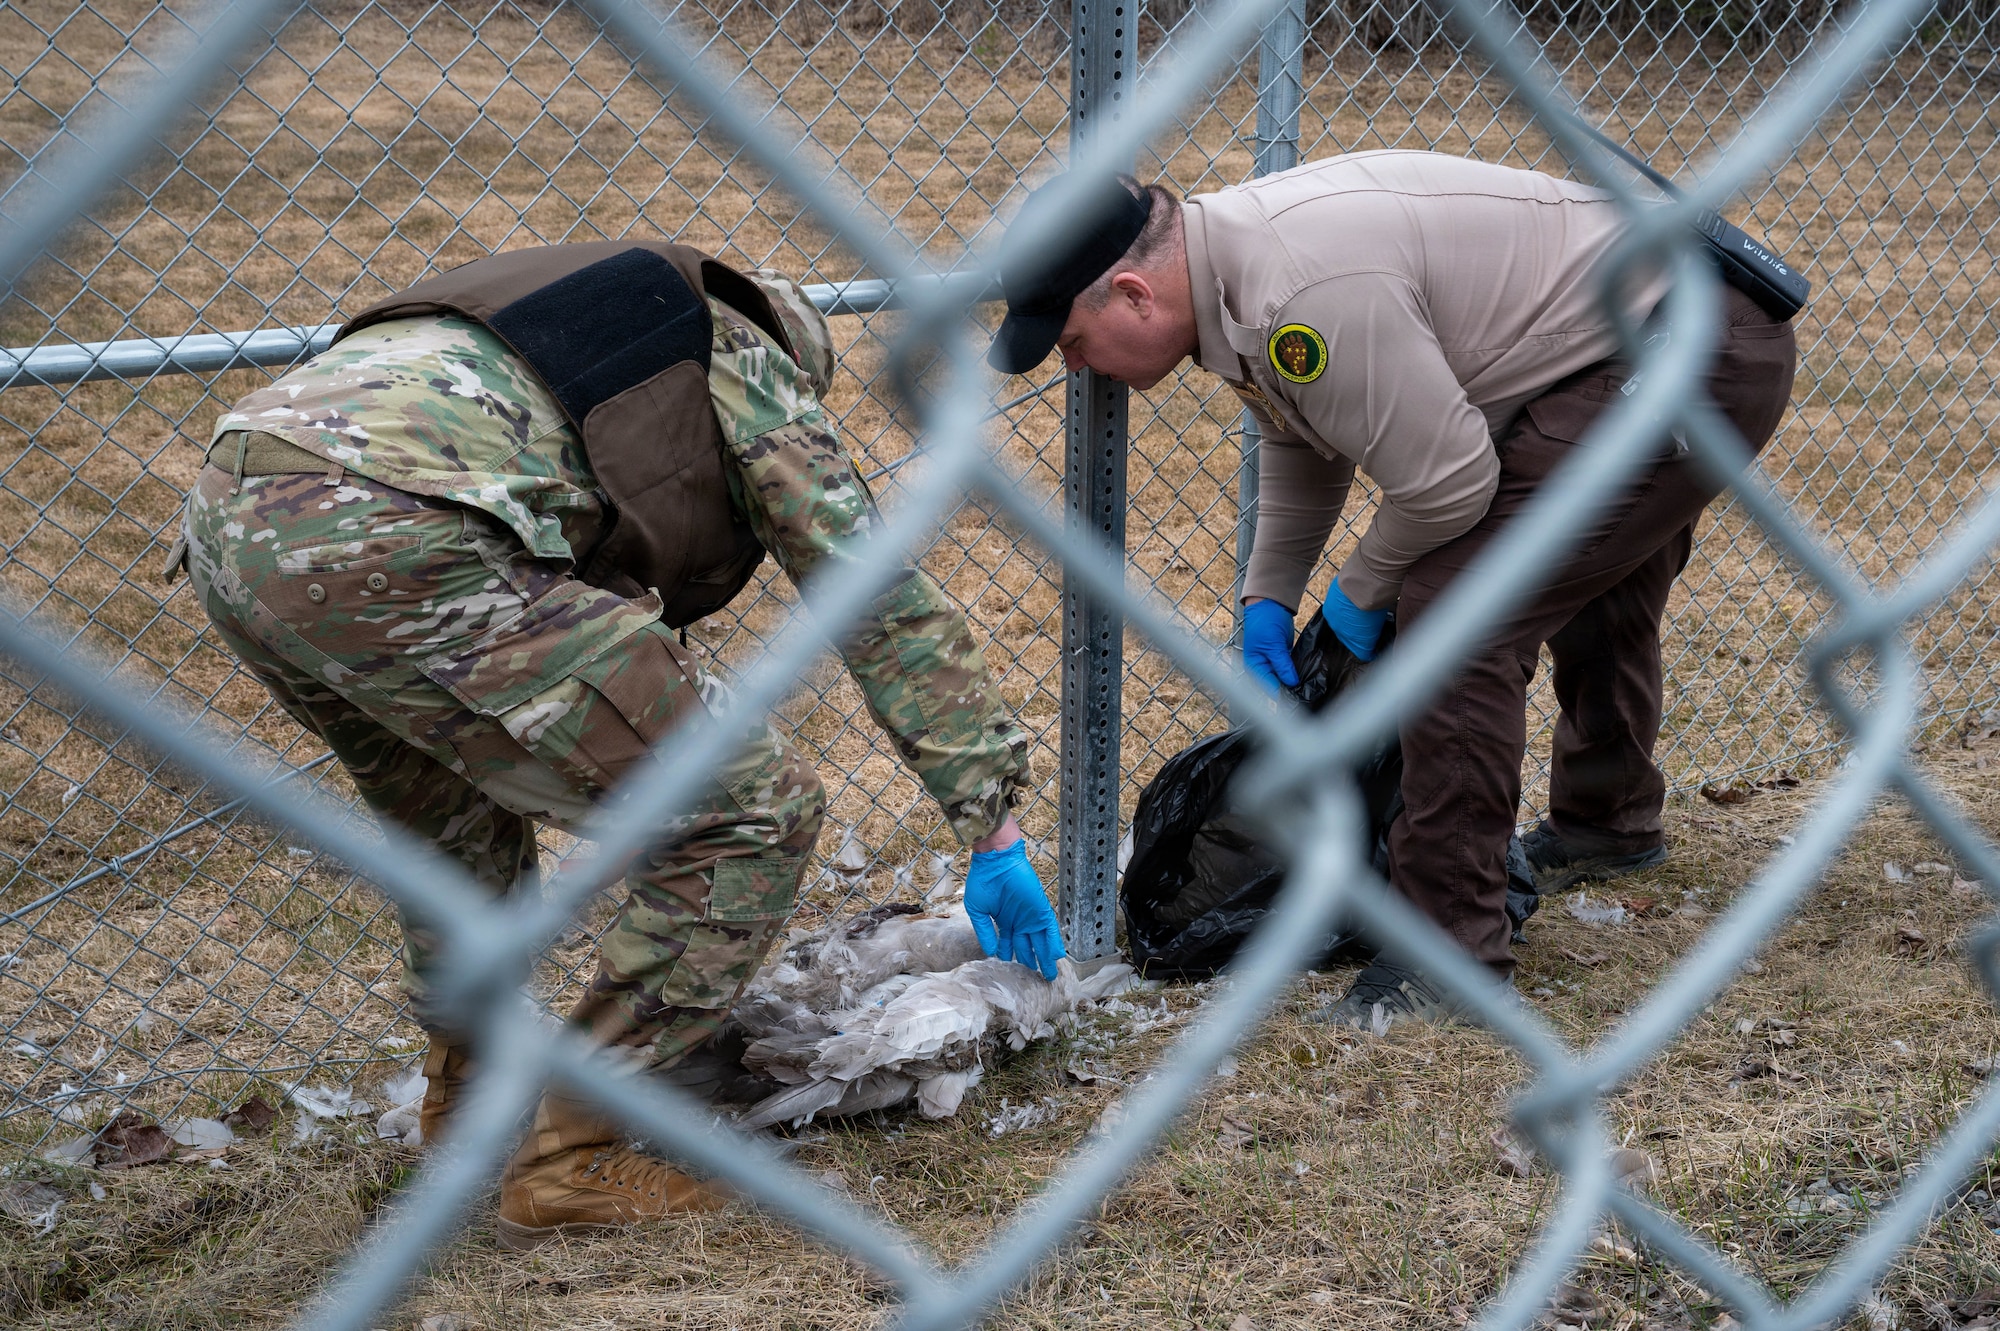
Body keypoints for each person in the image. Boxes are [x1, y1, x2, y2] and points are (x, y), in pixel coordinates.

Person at [174, 240, 1065, 1248]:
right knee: (745, 808)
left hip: (233, 514)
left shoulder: (590, 305)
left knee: (449, 818)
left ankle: (463, 1106)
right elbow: (873, 594)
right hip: (401, 526)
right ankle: (575, 1155)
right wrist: (992, 826)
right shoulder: (740, 354)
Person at [987, 152, 1796, 1027]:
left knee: (1455, 614)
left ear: (1136, 294)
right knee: (1575, 563)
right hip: (1653, 325)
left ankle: (1448, 947)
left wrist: (1359, 593)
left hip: (1698, 342)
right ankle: (1606, 822)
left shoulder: (1296, 291)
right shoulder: (1229, 272)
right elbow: (1304, 433)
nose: (1074, 367)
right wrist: (1270, 595)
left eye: (1071, 341)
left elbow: (1449, 482)